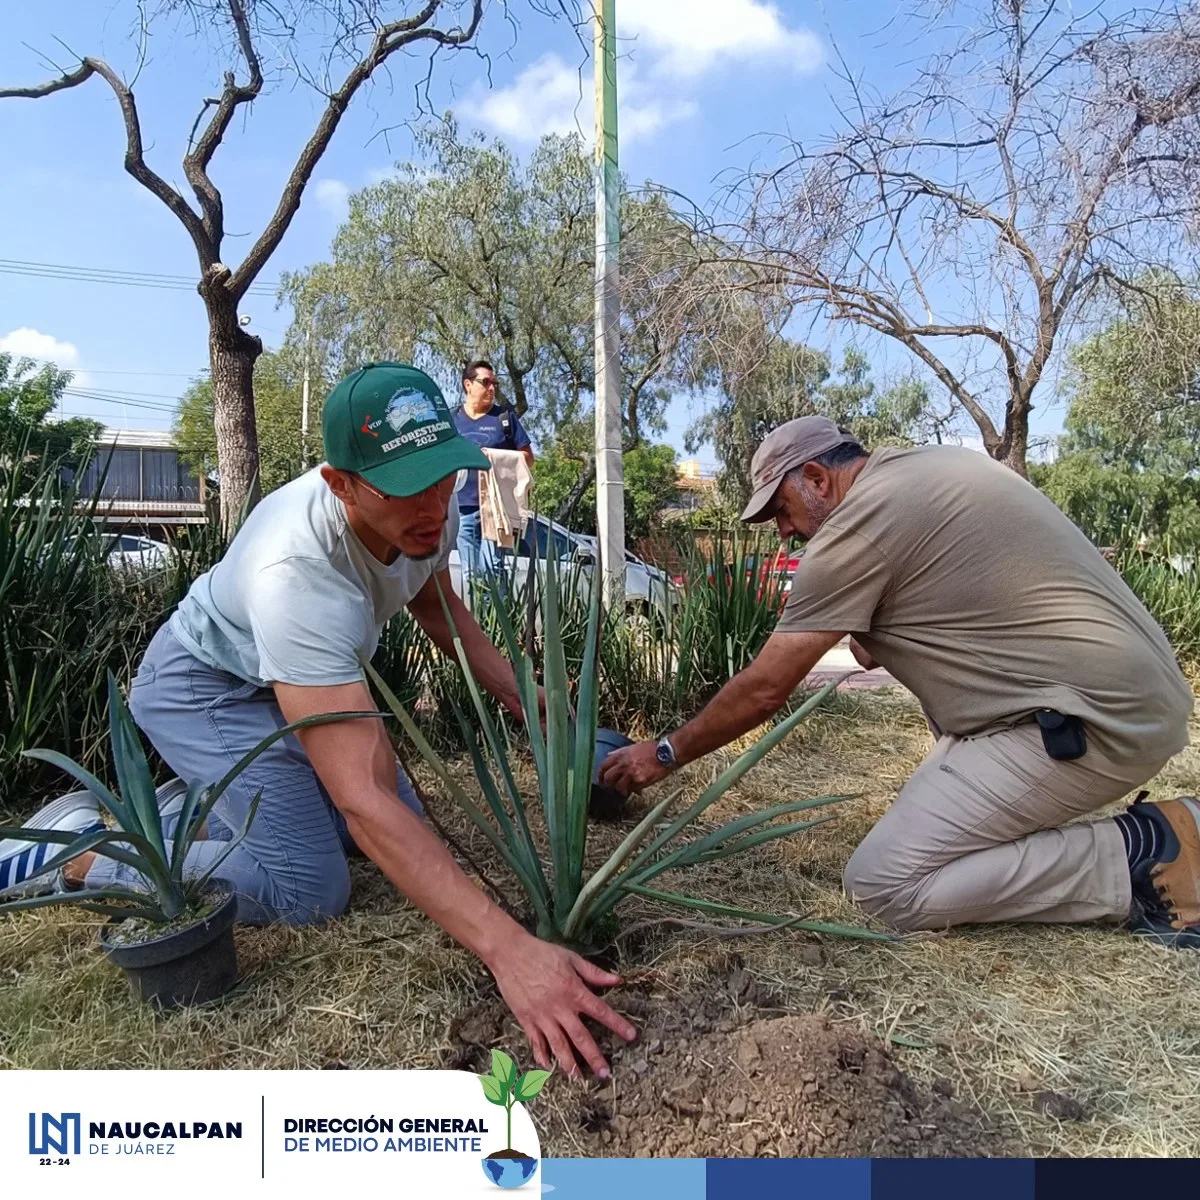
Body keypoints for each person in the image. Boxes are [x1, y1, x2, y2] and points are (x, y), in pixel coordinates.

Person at [3, 362, 635, 1077]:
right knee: (310, 886)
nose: (433, 503)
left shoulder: (428, 512)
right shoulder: (297, 572)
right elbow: (361, 800)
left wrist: (529, 702)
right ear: (341, 485)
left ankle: (201, 812)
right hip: (206, 691)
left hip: (284, 682)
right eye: (406, 487)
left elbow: (438, 607)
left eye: (444, 475)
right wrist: (511, 952)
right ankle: (78, 853)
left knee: (395, 836)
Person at [599, 416, 1200, 948]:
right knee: (935, 838)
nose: (782, 532)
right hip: (1131, 694)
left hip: (1093, 718)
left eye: (781, 511)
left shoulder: (855, 528)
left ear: (816, 476)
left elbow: (765, 689)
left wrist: (664, 753)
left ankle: (1145, 859)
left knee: (884, 885)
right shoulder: (932, 466)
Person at [452, 360, 533, 584]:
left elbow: (528, 459)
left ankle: (499, 619)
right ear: (468, 385)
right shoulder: (453, 420)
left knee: (492, 571)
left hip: (497, 509)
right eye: (485, 382)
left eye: (494, 383)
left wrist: (495, 457)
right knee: (471, 576)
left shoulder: (504, 419)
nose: (491, 388)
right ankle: (477, 620)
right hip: (462, 508)